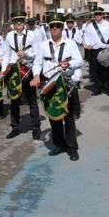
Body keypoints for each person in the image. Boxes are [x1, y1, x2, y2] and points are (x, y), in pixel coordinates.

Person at [31, 12, 82, 161]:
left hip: (65, 82)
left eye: (57, 26)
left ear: (62, 27)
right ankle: (59, 144)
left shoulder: (70, 43)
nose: (54, 28)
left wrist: (69, 64)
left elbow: (79, 60)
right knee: (54, 116)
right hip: (48, 82)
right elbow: (38, 63)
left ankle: (72, 148)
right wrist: (35, 75)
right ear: (49, 28)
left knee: (69, 116)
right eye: (52, 26)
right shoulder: (43, 45)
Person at [2, 10, 41, 140]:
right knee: (14, 100)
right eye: (15, 21)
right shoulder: (8, 36)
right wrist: (3, 70)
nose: (18, 23)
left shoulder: (32, 35)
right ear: (13, 23)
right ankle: (15, 127)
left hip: (28, 71)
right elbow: (6, 55)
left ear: (24, 22)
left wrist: (27, 54)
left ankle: (36, 127)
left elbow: (37, 53)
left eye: (20, 21)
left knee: (32, 101)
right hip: (14, 73)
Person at [83, 7, 109, 96]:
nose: (98, 16)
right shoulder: (90, 26)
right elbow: (86, 36)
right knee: (95, 70)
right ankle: (97, 87)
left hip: (106, 50)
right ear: (94, 16)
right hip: (95, 51)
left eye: (99, 14)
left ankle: (108, 88)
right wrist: (87, 44)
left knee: (108, 70)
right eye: (96, 14)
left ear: (102, 15)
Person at [63, 14, 83, 118]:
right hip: (66, 56)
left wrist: (73, 42)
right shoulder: (63, 31)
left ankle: (76, 111)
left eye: (71, 22)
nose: (70, 24)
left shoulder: (77, 31)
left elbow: (80, 41)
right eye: (68, 22)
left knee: (74, 89)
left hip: (74, 54)